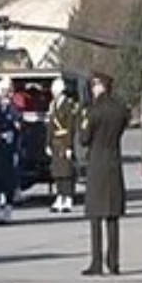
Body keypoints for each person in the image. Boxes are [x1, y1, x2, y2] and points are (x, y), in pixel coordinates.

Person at [79, 71, 129, 276]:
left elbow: (84, 138)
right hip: (114, 162)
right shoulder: (120, 110)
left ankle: (97, 262)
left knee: (96, 215)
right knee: (112, 216)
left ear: (100, 86)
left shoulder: (93, 111)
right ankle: (114, 262)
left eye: (94, 86)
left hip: (97, 164)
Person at [0, 77, 22, 224]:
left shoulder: (14, 108)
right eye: (2, 91)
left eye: (7, 91)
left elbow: (19, 130)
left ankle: (8, 209)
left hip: (9, 147)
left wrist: (17, 151)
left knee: (8, 180)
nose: (5, 94)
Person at [47, 78, 78, 213]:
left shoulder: (68, 104)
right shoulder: (53, 105)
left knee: (67, 172)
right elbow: (50, 126)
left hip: (64, 141)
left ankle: (68, 197)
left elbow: (71, 127)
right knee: (57, 172)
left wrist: (69, 146)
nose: (53, 93)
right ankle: (60, 196)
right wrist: (48, 143)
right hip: (55, 142)